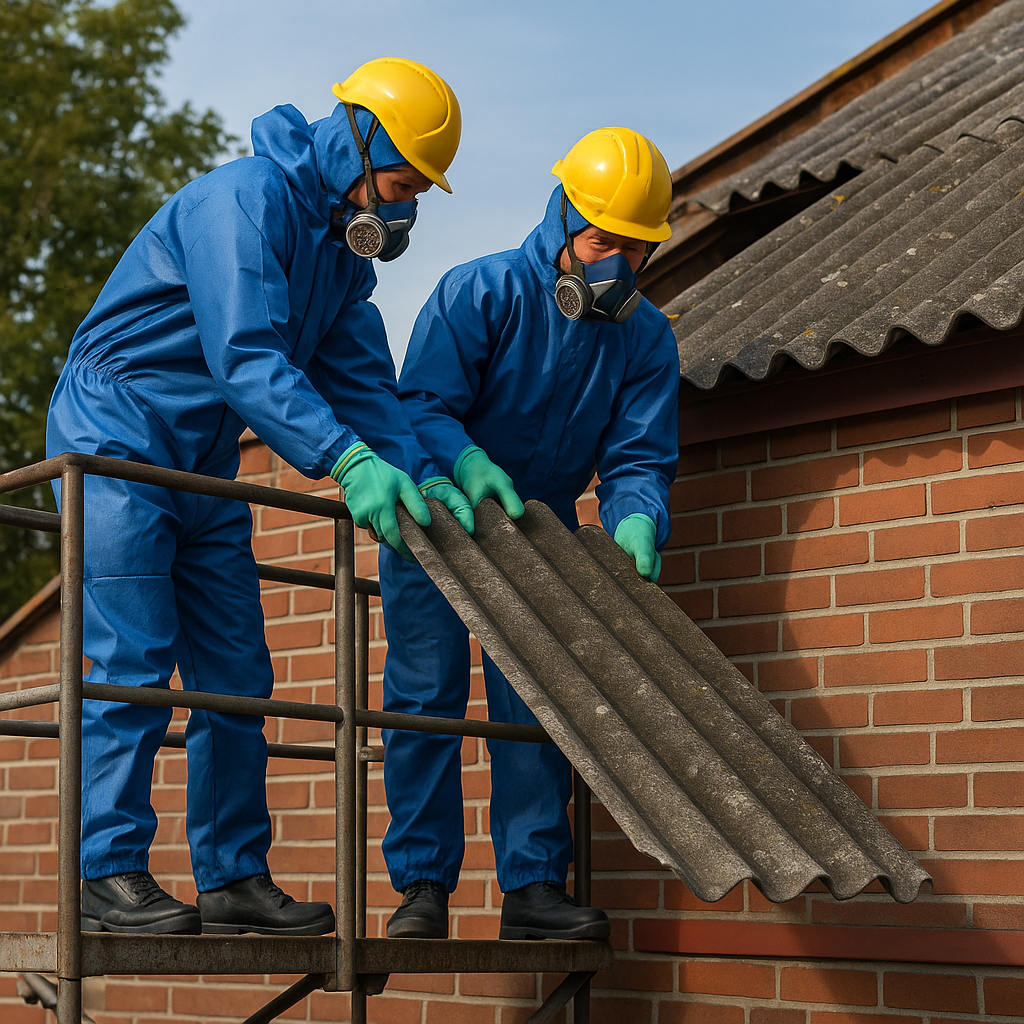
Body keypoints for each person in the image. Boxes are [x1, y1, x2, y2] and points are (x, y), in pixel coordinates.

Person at [45, 57, 474, 936]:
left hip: (201, 457)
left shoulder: (342, 260)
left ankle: (234, 876)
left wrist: (415, 471)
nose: (402, 212)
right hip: (116, 431)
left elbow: (361, 385)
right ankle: (107, 874)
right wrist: (346, 462)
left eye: (418, 195)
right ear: (355, 142)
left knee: (237, 674)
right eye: (397, 184)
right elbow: (245, 356)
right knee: (130, 659)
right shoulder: (241, 201)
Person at [378, 127, 680, 940]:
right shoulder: (480, 291)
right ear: (563, 219)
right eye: (602, 239)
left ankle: (535, 890)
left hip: (540, 531)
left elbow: (637, 456)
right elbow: (420, 404)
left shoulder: (646, 338)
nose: (617, 261)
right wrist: (468, 461)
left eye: (635, 247)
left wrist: (637, 518)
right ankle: (422, 890)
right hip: (441, 518)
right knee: (425, 703)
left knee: (542, 708)